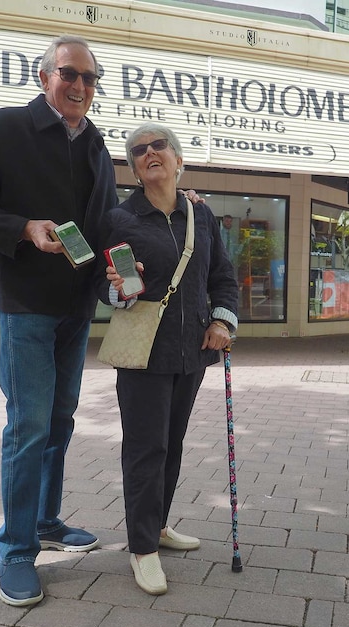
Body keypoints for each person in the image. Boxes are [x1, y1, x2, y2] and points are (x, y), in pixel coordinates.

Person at [0, 34, 118, 607]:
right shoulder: (5, 127)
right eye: (70, 74)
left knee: (60, 420)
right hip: (26, 304)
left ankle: (45, 521)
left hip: (77, 305)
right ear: (45, 77)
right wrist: (23, 227)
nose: (80, 87)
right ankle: (15, 549)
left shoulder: (95, 144)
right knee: (28, 426)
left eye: (90, 79)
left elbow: (103, 223)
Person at [95, 122, 239, 595]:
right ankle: (142, 550)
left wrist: (221, 322)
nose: (150, 153)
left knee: (172, 444)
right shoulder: (121, 219)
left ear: (179, 160)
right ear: (135, 168)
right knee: (145, 449)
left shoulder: (200, 214)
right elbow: (106, 287)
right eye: (139, 150)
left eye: (160, 146)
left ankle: (156, 526)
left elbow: (222, 275)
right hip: (143, 352)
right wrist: (119, 288)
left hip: (191, 352)